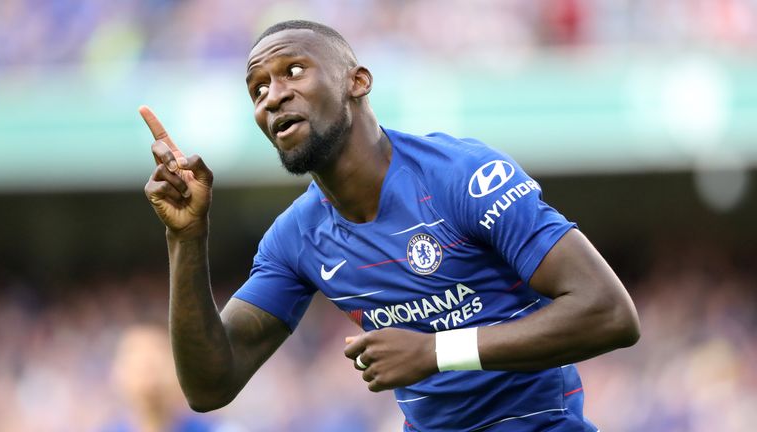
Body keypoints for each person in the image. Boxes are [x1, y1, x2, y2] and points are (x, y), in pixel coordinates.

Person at [141, 19, 640, 431]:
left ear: (357, 81)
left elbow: (609, 312)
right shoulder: (296, 238)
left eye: (293, 70)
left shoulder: (460, 177)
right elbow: (210, 385)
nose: (273, 96)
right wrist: (187, 238)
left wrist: (437, 351)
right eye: (258, 88)